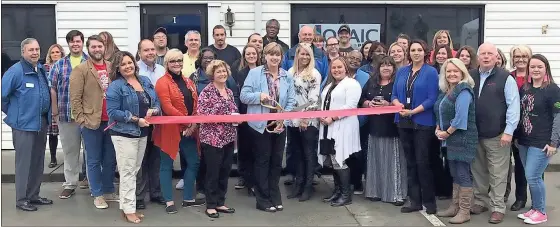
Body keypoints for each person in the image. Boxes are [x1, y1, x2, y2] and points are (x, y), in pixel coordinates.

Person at [106, 51, 161, 223]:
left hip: (143, 133)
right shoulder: (116, 86)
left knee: (133, 170)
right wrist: (136, 120)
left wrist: (155, 110)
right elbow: (113, 112)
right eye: (123, 64)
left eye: (130, 62)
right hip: (124, 133)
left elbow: (156, 101)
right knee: (128, 171)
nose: (128, 66)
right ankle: (129, 209)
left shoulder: (144, 81)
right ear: (117, 68)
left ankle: (126, 206)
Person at [240, 42, 295, 212]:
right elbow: (243, 96)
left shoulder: (287, 76)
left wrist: (283, 120)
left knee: (276, 162)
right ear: (265, 56)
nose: (274, 57)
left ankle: (275, 196)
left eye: (277, 55)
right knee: (262, 161)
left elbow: (291, 101)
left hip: (279, 126)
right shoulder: (255, 73)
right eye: (271, 54)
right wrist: (259, 96)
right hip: (260, 126)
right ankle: (262, 199)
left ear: (281, 58)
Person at [469, 43, 520, 224]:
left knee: (498, 173)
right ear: (478, 57)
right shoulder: (471, 75)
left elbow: (514, 106)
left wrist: (509, 131)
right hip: (475, 134)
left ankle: (498, 207)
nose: (486, 57)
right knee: (478, 171)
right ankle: (480, 201)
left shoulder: (505, 78)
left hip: (498, 134)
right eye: (483, 53)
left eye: (490, 53)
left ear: (496, 57)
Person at [2, 38, 54, 211]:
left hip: (41, 123)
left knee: (38, 161)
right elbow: (2, 97)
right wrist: (16, 115)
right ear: (23, 51)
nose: (35, 53)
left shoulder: (39, 69)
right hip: (23, 125)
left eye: (37, 49)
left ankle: (33, 195)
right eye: (31, 50)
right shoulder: (15, 71)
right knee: (24, 163)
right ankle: (22, 199)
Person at [153, 48, 205, 214]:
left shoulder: (188, 81)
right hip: (169, 130)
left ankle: (188, 198)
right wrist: (187, 121)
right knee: (166, 165)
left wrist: (192, 125)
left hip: (190, 129)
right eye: (173, 61)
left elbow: (196, 104)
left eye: (179, 61)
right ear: (167, 63)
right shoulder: (162, 82)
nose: (177, 64)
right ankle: (169, 201)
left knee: (194, 162)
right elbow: (167, 107)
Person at [70, 35, 118, 209]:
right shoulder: (81, 70)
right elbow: (75, 99)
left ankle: (108, 190)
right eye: (93, 47)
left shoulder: (112, 67)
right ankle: (97, 193)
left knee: (110, 158)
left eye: (100, 46)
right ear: (88, 49)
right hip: (91, 122)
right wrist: (81, 120)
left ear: (104, 48)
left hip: (111, 121)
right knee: (93, 159)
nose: (97, 49)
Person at [391, 39, 439, 214]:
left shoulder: (431, 72)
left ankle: (429, 202)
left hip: (423, 122)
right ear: (408, 52)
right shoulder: (402, 71)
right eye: (413, 50)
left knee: (422, 162)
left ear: (424, 52)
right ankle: (415, 201)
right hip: (403, 121)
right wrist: (399, 106)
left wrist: (412, 112)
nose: (416, 53)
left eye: (419, 50)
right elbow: (394, 94)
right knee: (410, 163)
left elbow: (432, 99)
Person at [515, 54, 559, 225]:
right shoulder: (525, 88)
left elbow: (558, 117)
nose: (535, 69)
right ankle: (534, 208)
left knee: (532, 176)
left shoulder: (553, 90)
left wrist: (554, 142)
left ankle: (541, 211)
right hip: (524, 141)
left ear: (546, 68)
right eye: (532, 67)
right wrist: (517, 137)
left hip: (543, 142)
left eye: (539, 66)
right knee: (533, 176)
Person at [434, 58, 478, 224]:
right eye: (449, 71)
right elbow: (440, 111)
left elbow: (460, 118)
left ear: (462, 73)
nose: (452, 74)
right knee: (454, 173)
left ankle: (465, 211)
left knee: (462, 173)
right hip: (450, 139)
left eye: (455, 71)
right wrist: (438, 128)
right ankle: (455, 206)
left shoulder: (464, 90)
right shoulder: (447, 91)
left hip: (463, 138)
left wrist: (446, 132)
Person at [49, 30, 90, 198]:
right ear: (68, 44)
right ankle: (70, 184)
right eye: (72, 41)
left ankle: (92, 182)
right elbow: (52, 88)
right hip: (66, 115)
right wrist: (55, 111)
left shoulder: (90, 62)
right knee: (70, 152)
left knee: (91, 152)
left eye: (78, 41)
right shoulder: (59, 64)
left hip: (88, 116)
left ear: (82, 42)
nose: (75, 44)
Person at [360, 56, 406, 206]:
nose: (386, 68)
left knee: (392, 161)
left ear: (394, 68)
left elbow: (402, 104)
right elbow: (361, 99)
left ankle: (395, 194)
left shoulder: (397, 83)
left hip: (392, 128)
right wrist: (368, 103)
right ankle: (375, 192)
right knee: (376, 160)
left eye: (389, 65)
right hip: (374, 127)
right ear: (378, 68)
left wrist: (388, 104)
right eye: (383, 66)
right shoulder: (371, 83)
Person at [197, 60, 240, 218]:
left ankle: (220, 202)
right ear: (212, 75)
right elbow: (202, 114)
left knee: (224, 171)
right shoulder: (207, 92)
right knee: (212, 173)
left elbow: (233, 110)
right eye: (218, 72)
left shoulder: (228, 91)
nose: (222, 74)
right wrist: (225, 117)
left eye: (224, 71)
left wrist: (236, 117)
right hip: (212, 139)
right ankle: (211, 205)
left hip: (228, 138)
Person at [319, 57, 361, 207]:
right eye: (334, 67)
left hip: (343, 126)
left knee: (339, 159)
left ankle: (345, 195)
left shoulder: (352, 84)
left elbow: (350, 106)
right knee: (332, 159)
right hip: (328, 127)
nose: (336, 70)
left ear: (346, 68)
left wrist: (333, 117)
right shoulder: (330, 84)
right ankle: (337, 191)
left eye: (339, 67)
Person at [286, 44, 321, 201]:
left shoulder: (314, 74)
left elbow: (314, 100)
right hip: (292, 120)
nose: (305, 57)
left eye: (308, 54)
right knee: (297, 153)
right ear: (297, 55)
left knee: (308, 154)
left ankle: (308, 187)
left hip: (308, 120)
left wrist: (305, 118)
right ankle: (298, 184)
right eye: (302, 54)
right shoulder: (290, 72)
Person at [135, 39, 166, 208]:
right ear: (139, 53)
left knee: (156, 159)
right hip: (140, 122)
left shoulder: (161, 69)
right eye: (146, 50)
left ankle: (156, 192)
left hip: (159, 121)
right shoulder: (136, 70)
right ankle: (139, 197)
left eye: (152, 49)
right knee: (140, 160)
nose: (150, 53)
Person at [231, 44, 263, 193]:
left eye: (253, 53)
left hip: (261, 114)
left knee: (258, 149)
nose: (251, 56)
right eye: (248, 53)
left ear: (258, 55)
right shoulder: (239, 73)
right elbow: (238, 94)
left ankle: (257, 180)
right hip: (244, 114)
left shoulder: (264, 71)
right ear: (244, 56)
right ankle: (246, 178)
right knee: (245, 149)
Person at [45, 43, 64, 168]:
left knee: (66, 133)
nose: (55, 54)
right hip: (50, 103)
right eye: (53, 52)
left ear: (61, 54)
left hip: (63, 102)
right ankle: (53, 158)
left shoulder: (65, 66)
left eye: (57, 52)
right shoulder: (45, 68)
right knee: (52, 134)